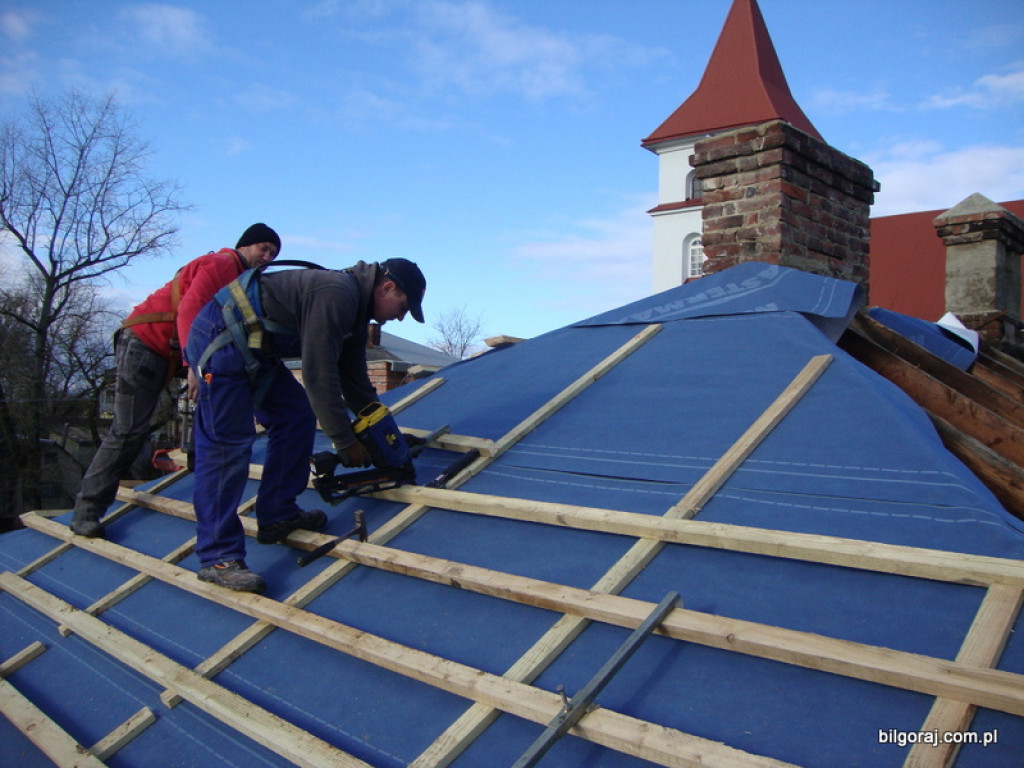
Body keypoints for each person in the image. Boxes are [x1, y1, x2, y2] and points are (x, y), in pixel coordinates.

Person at [185, 257, 426, 593]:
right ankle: (218, 557)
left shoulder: (355, 315)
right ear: (387, 287)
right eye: (403, 306)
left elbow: (355, 382)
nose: (401, 316)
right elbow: (318, 373)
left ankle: (277, 514)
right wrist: (344, 441)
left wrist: (386, 436)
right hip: (222, 340)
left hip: (255, 349)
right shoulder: (337, 294)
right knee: (228, 448)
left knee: (295, 416)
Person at [70, 223, 281, 538]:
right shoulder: (222, 265)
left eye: (273, 254)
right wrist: (193, 365)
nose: (267, 257)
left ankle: (200, 458)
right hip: (147, 343)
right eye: (263, 248)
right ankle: (86, 512)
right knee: (128, 430)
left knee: (219, 380)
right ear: (244, 245)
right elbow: (190, 312)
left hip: (169, 350)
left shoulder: (240, 280)